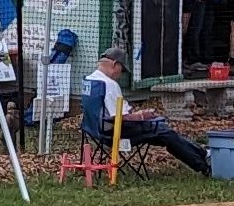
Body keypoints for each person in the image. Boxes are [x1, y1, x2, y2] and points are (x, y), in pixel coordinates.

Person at [82, 46, 211, 175]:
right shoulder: (109, 84)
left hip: (95, 132)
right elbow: (119, 118)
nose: (121, 74)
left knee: (163, 134)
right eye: (122, 70)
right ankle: (204, 165)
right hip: (115, 133)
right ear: (115, 64)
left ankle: (203, 155)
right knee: (163, 131)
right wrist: (142, 116)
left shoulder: (89, 81)